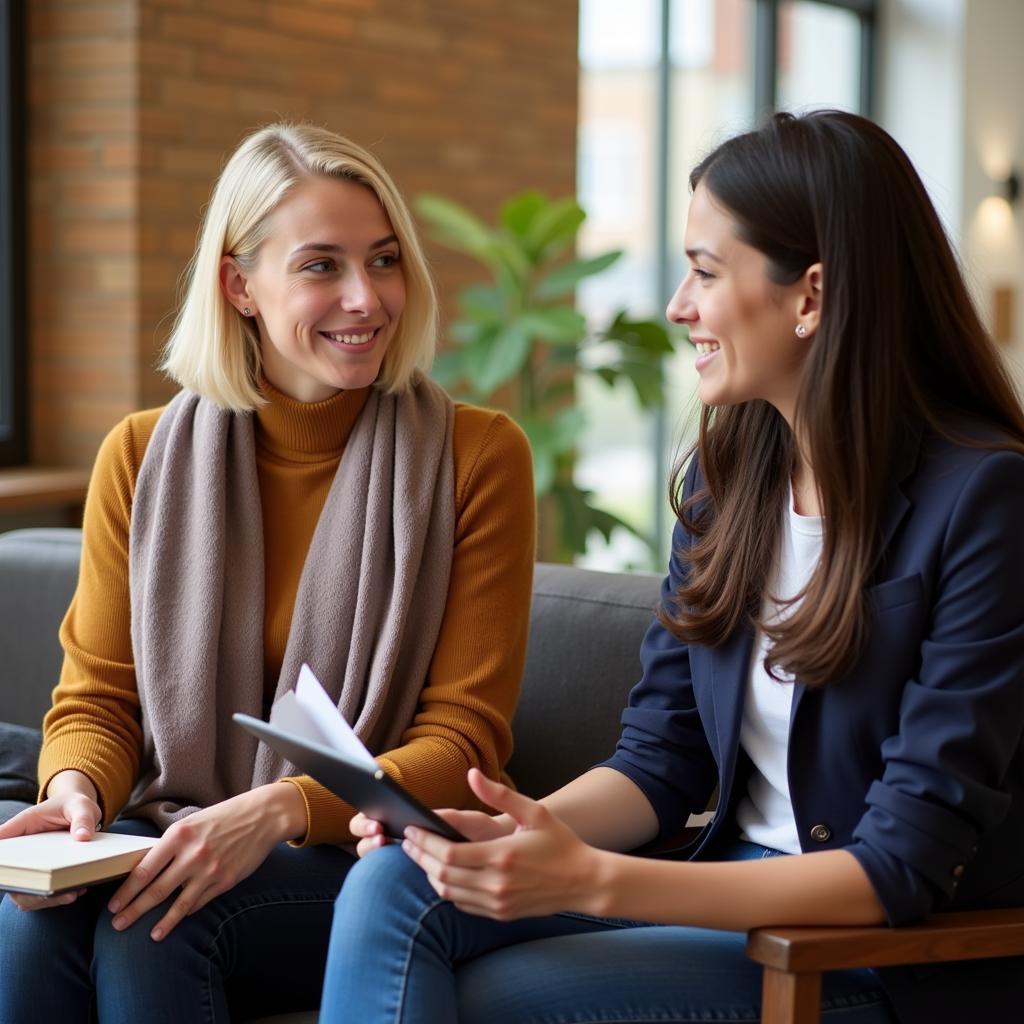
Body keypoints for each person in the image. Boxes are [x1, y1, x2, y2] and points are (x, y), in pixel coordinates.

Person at [318, 109, 1024, 1024]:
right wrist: (493, 836)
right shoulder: (728, 486)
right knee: (390, 888)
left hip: (866, 955)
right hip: (729, 894)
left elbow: (898, 865)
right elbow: (661, 760)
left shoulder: (984, 501)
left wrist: (595, 883)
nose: (677, 306)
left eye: (704, 271)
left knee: (500, 996)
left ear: (811, 296)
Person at [0, 123, 535, 1023]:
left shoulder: (477, 457)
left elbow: (464, 745)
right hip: (177, 819)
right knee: (31, 925)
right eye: (322, 266)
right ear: (239, 285)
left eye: (385, 261)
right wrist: (76, 797)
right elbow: (97, 699)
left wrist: (282, 808)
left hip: (360, 857)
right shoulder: (138, 456)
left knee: (159, 917)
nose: (366, 298)